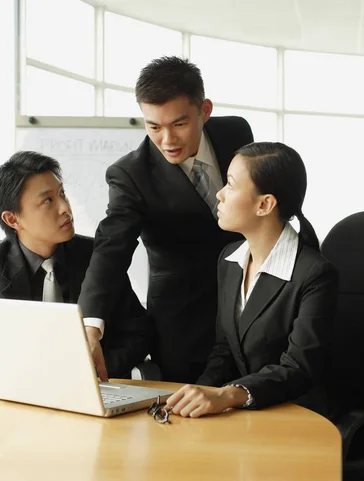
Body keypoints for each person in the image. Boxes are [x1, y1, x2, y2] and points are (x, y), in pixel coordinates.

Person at [78, 56, 254, 383]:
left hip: (251, 305)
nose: (167, 141)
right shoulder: (130, 175)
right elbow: (110, 249)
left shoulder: (236, 132)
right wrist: (90, 328)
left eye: (179, 124)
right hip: (184, 320)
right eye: (154, 127)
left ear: (204, 110)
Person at [165, 141, 339, 419]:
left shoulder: (314, 274)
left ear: (264, 204)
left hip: (297, 416)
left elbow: (298, 368)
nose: (220, 194)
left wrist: (227, 395)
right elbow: (224, 351)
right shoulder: (230, 260)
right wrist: (191, 396)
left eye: (231, 185)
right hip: (245, 413)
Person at [0, 151, 151, 378]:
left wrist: (94, 371)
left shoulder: (98, 258)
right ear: (13, 219)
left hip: (95, 389)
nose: (65, 208)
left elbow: (138, 333)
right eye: (48, 200)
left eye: (62, 194)